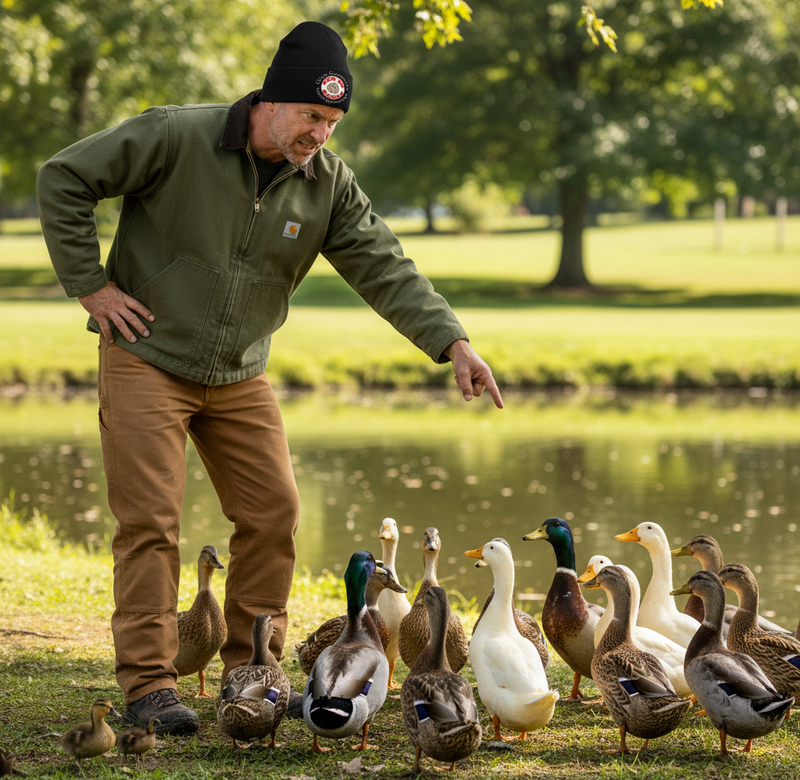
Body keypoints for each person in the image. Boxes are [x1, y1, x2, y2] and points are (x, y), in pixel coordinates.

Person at [36, 20, 503, 735]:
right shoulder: (174, 137)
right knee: (150, 524)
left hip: (238, 372)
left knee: (273, 513)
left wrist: (453, 342)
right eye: (312, 116)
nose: (321, 133)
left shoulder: (327, 184)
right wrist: (91, 287)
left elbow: (385, 265)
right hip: (146, 356)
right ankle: (150, 687)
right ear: (271, 104)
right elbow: (64, 177)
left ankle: (250, 676)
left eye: (334, 122)